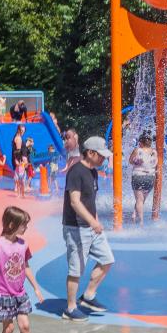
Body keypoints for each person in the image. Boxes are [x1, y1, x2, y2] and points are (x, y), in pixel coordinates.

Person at [61, 137, 114, 320]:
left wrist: (96, 221)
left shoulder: (93, 173)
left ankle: (89, 296)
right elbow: (75, 202)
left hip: (92, 227)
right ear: (90, 153)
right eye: (101, 156)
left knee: (107, 259)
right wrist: (92, 222)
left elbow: (90, 202)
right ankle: (70, 308)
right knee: (76, 269)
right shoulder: (76, 172)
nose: (104, 160)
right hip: (76, 228)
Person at [128, 131, 158, 223]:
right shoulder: (154, 152)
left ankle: (141, 221)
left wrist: (137, 162)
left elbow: (130, 161)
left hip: (138, 176)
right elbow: (155, 165)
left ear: (140, 142)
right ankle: (134, 213)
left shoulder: (137, 150)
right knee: (141, 199)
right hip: (150, 177)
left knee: (139, 199)